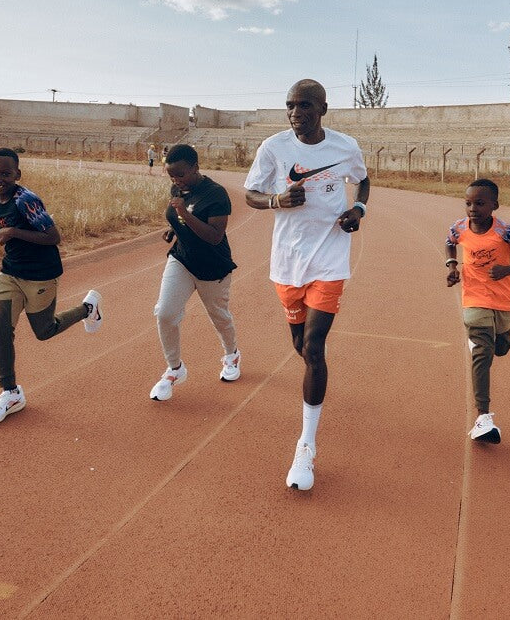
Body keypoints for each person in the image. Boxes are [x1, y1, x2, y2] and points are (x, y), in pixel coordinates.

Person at [244, 79, 369, 491]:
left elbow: (362, 180)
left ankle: (306, 446)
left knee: (314, 348)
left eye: (305, 106)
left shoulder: (345, 147)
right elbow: (251, 195)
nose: (296, 113)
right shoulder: (274, 148)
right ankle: (315, 379)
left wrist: (358, 208)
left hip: (330, 257)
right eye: (290, 106)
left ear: (323, 110)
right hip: (287, 263)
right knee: (300, 347)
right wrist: (276, 201)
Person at [0, 147, 102, 427]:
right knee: (0, 329)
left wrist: (13, 232)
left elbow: (53, 237)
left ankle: (88, 308)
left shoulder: (26, 201)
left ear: (17, 174)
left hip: (41, 275)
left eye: (5, 173)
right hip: (10, 273)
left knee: (44, 331)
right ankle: (10, 393)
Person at [444, 178, 510, 444]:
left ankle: (504, 336)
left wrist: (508, 270)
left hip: (503, 302)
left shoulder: (506, 232)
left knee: (500, 348)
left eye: (479, 203)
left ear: (494, 205)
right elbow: (450, 241)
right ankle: (483, 417)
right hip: (473, 301)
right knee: (482, 353)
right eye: (468, 203)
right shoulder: (460, 227)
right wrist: (452, 267)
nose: (472, 208)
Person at [149, 144, 241, 400]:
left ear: (195, 168)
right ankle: (175, 369)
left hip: (213, 266)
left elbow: (213, 236)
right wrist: (175, 229)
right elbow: (179, 218)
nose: (176, 181)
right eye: (171, 177)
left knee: (219, 316)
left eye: (180, 175)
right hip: (182, 261)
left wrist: (183, 215)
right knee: (165, 313)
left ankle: (231, 355)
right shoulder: (178, 188)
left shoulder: (216, 194)